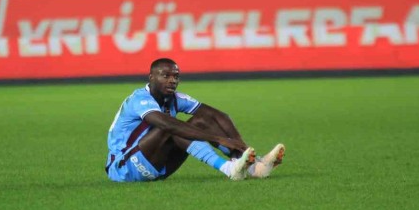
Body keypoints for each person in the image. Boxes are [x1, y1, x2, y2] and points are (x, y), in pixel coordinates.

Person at [105, 58, 285, 182]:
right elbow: (167, 124)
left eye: (176, 76)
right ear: (151, 78)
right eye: (166, 76)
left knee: (203, 120)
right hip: (124, 168)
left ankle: (253, 168)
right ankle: (228, 169)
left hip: (159, 168)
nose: (172, 81)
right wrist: (218, 139)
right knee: (171, 126)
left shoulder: (175, 98)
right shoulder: (140, 99)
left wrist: (241, 146)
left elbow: (218, 116)